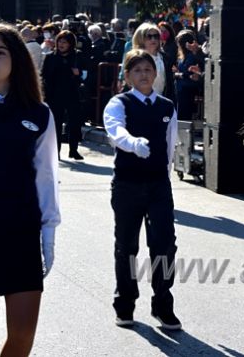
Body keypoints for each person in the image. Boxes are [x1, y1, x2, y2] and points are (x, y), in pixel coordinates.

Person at [0, 24, 60, 355]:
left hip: (20, 232)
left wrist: (48, 234)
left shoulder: (38, 113)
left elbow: (46, 176)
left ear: (16, 58)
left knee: (22, 337)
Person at [103, 49, 181, 330]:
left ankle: (163, 303)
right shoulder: (118, 103)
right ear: (127, 76)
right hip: (127, 184)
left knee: (164, 245)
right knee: (127, 246)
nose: (144, 74)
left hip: (159, 184)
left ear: (155, 73)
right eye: (136, 70)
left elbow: (171, 144)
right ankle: (124, 304)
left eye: (148, 69)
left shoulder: (166, 106)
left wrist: (167, 174)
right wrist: (132, 143)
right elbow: (115, 131)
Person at [41, 30, 85, 160]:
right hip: (55, 94)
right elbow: (44, 76)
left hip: (72, 93)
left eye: (64, 42)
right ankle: (56, 151)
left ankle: (73, 150)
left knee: (74, 123)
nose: (61, 44)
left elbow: (85, 74)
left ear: (70, 44)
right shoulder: (51, 57)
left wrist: (79, 74)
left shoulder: (77, 56)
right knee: (56, 124)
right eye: (59, 41)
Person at [174, 30, 205, 121]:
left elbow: (188, 73)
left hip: (188, 90)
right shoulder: (182, 57)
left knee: (185, 116)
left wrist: (178, 74)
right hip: (181, 89)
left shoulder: (192, 56)